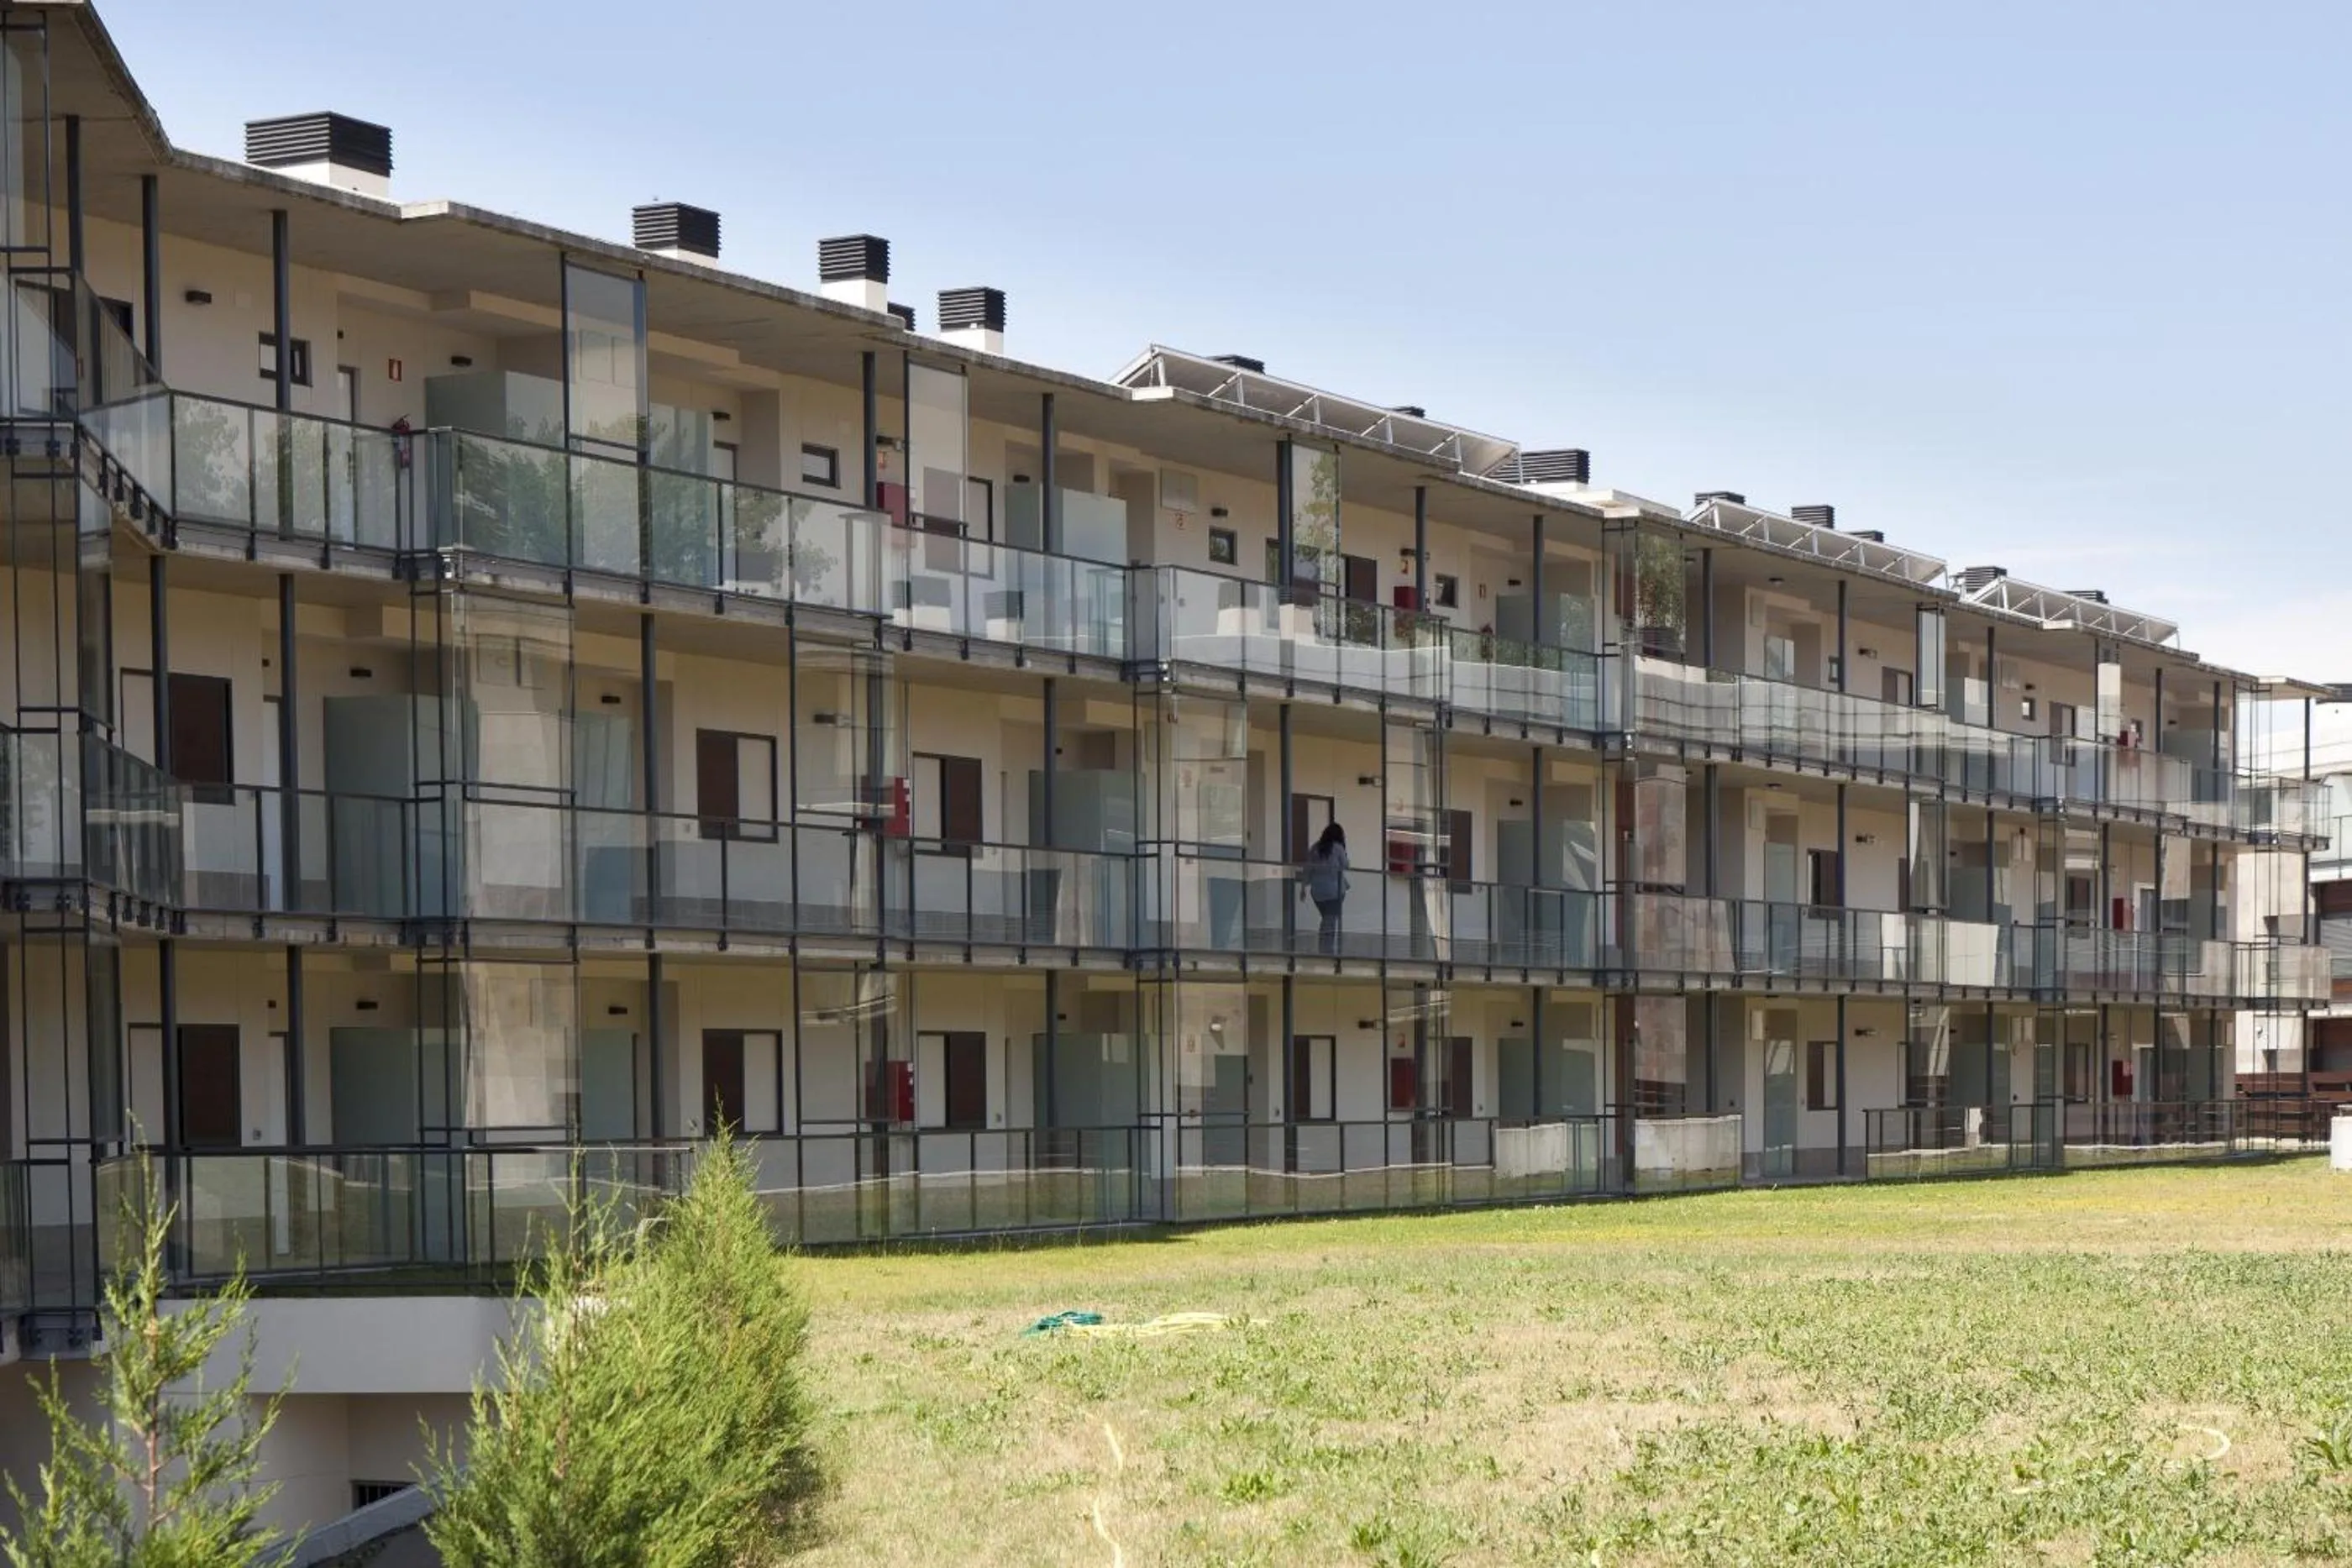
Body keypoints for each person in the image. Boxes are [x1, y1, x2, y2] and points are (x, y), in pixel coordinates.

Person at [1298, 821, 1350, 956]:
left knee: (1327, 919)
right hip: (1335, 891)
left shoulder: (1315, 848)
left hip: (1318, 892)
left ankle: (1325, 949)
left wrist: (1303, 888)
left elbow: (1307, 869)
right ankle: (1326, 951)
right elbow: (1345, 865)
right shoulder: (1338, 848)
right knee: (1330, 921)